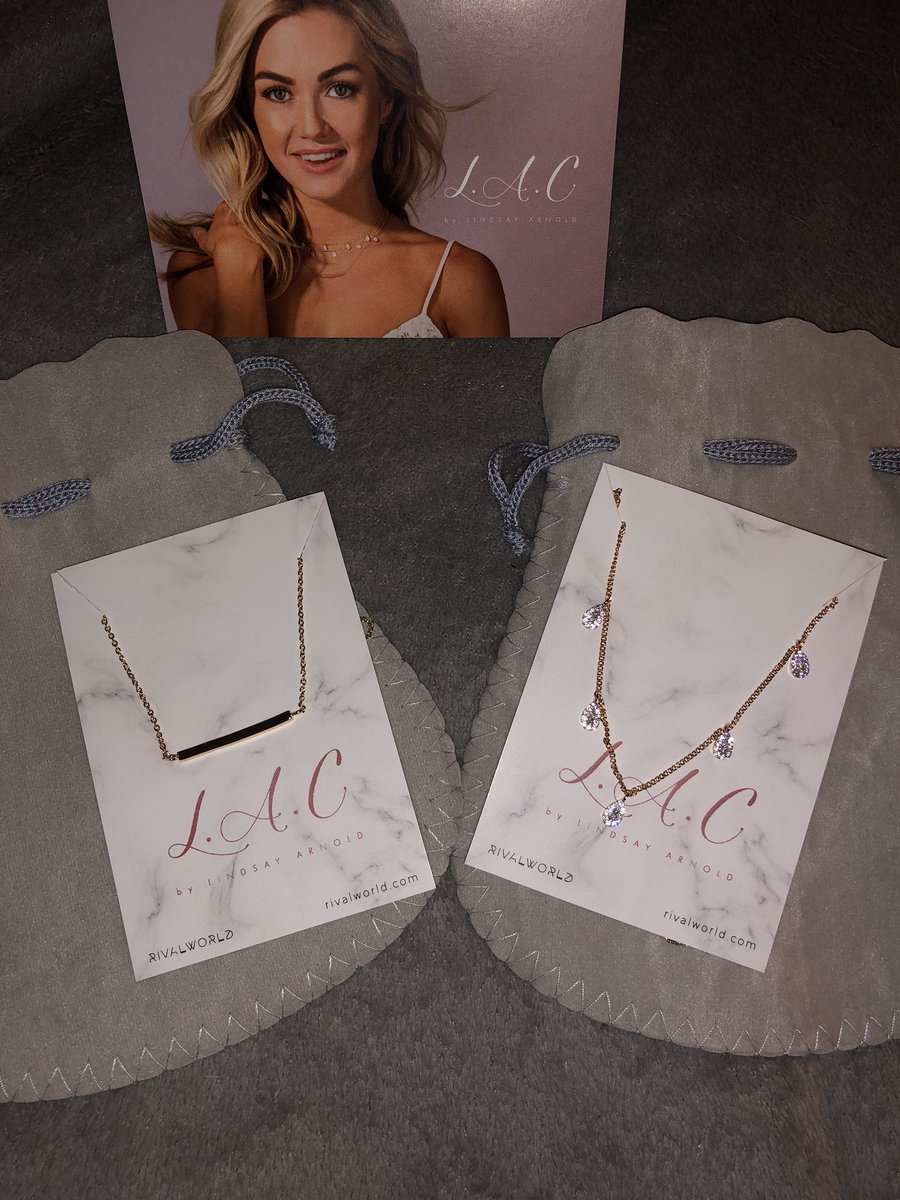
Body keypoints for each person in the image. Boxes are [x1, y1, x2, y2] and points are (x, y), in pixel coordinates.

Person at [151, 0, 510, 338]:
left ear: (385, 98)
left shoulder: (460, 281)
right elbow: (238, 387)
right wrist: (239, 278)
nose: (312, 127)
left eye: (340, 89)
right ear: (248, 107)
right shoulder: (204, 272)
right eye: (278, 93)